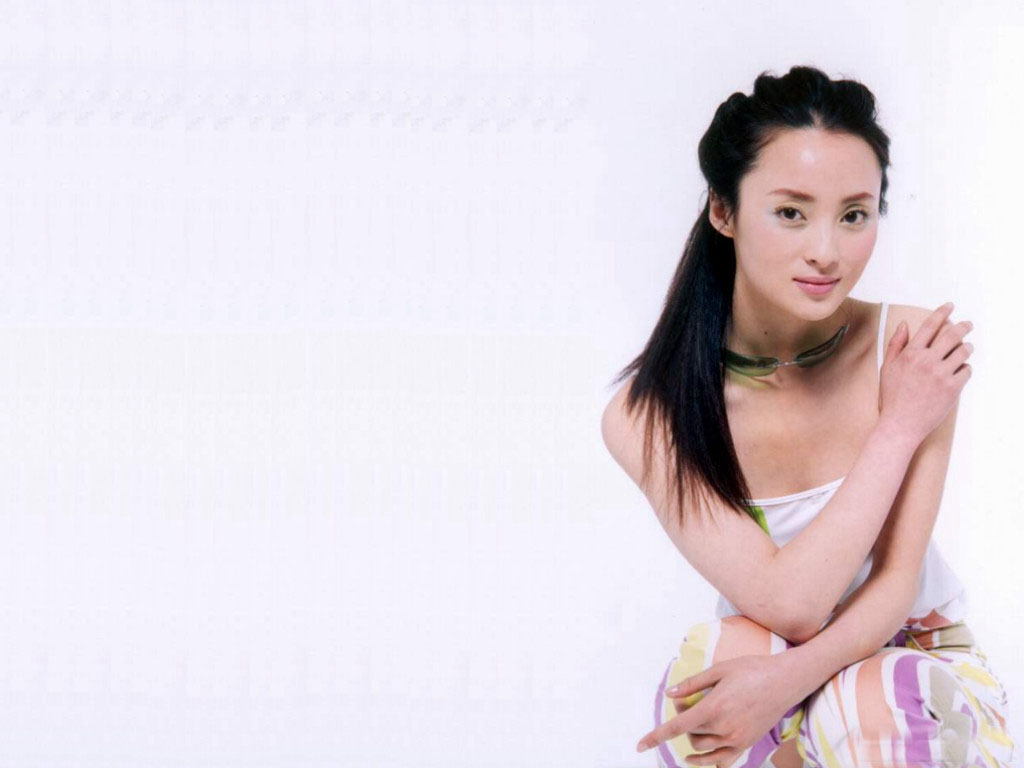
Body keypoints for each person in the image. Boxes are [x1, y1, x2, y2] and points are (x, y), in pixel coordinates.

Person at [600, 66, 1015, 768]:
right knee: (712, 674)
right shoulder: (650, 414)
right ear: (723, 211)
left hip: (914, 661)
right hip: (772, 655)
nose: (826, 251)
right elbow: (789, 605)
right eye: (791, 213)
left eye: (854, 215)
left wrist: (905, 418)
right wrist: (896, 427)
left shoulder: (910, 349)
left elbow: (894, 585)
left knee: (871, 701)